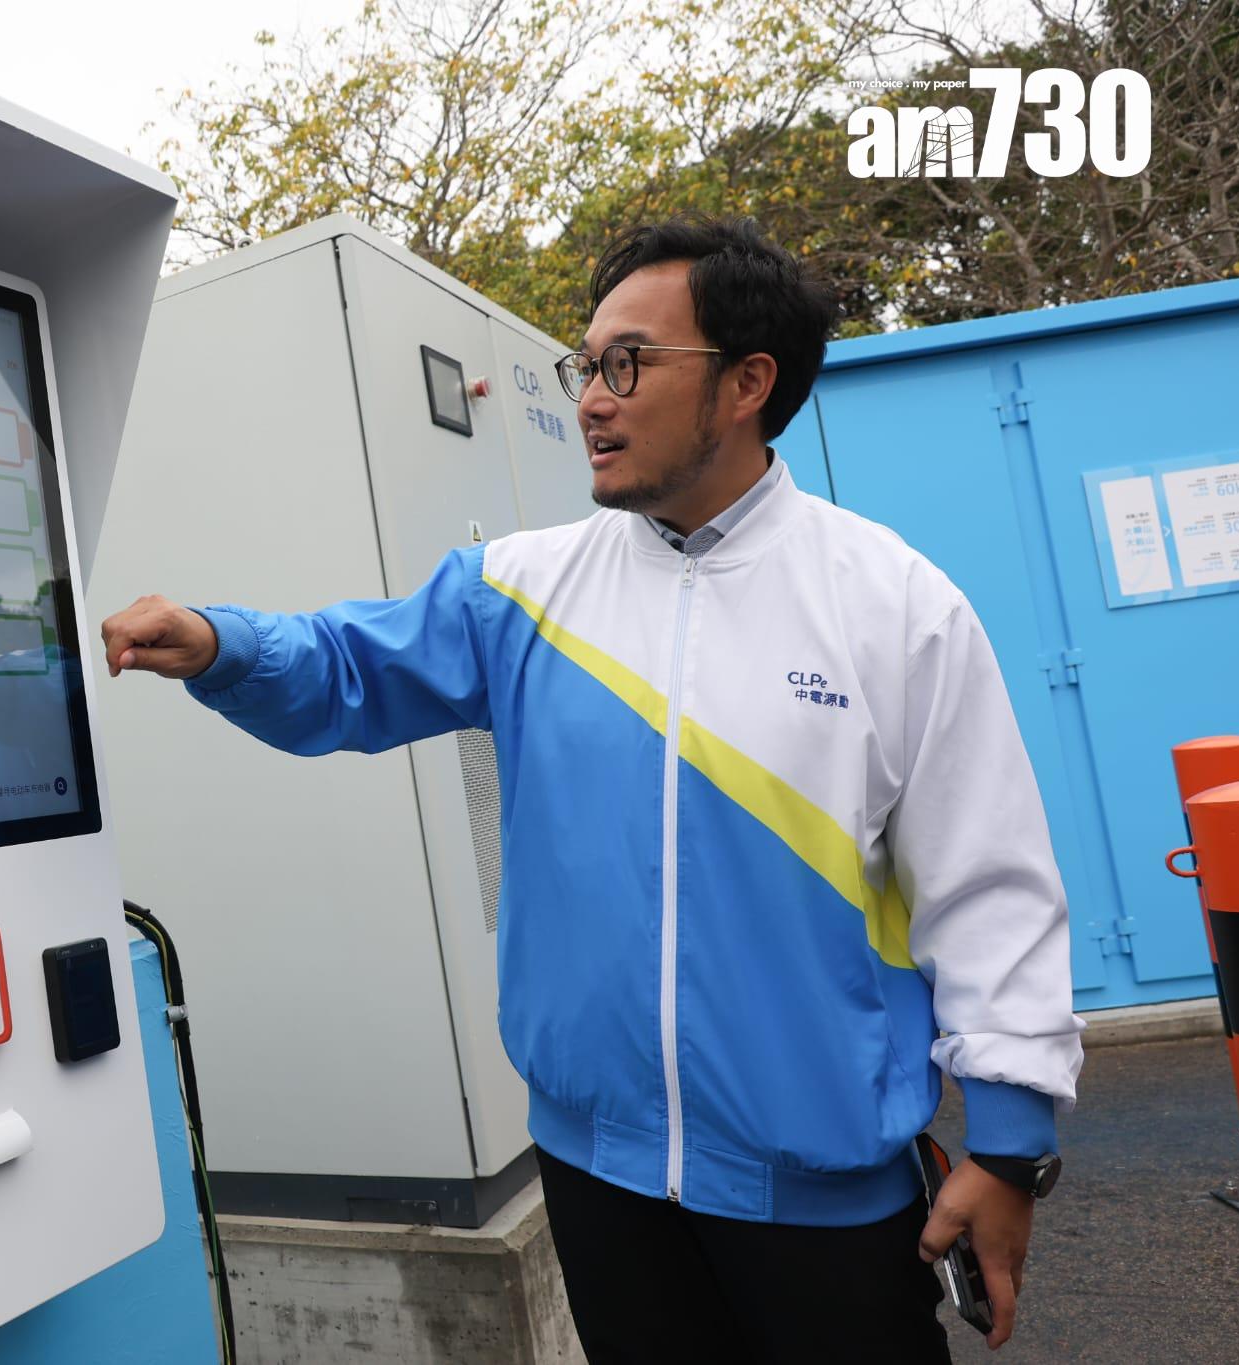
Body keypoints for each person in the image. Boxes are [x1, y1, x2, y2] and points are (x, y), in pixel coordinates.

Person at [98, 216, 1082, 1362]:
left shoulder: (893, 605)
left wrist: (1007, 1150)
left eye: (627, 364)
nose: (590, 400)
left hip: (821, 1195)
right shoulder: (522, 588)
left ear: (744, 384)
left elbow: (988, 885)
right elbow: (350, 667)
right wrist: (219, 643)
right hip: (596, 1175)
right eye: (586, 367)